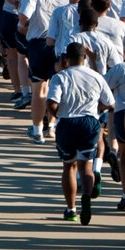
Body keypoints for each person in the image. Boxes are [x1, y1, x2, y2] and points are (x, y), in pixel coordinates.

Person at [45, 43, 113, 222]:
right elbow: (110, 102)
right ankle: (87, 197)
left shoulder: (61, 77)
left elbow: (51, 102)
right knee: (86, 166)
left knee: (69, 166)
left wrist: (58, 115)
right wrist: (96, 110)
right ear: (84, 57)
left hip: (67, 122)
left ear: (67, 58)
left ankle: (71, 208)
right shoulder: (96, 76)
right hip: (90, 122)